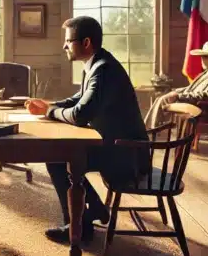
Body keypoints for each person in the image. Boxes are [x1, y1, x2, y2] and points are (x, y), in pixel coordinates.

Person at [25, 16, 149, 243]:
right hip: (117, 147)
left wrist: (49, 112)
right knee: (59, 157)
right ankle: (91, 213)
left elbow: (81, 115)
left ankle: (79, 223)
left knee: (58, 157)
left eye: (68, 41)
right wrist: (50, 105)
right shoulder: (97, 64)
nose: (64, 46)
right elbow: (78, 99)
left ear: (86, 43)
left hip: (127, 156)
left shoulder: (103, 70)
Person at [144, 41, 208, 128]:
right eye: (202, 56)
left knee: (163, 101)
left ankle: (151, 130)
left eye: (205, 57)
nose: (202, 59)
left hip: (204, 110)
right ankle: (150, 129)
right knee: (162, 98)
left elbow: (206, 95)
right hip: (194, 104)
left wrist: (179, 96)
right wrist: (175, 92)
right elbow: (190, 88)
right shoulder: (207, 73)